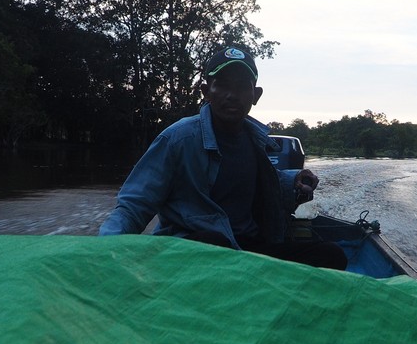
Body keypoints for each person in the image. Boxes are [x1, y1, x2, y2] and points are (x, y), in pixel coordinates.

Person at [99, 47, 347, 270]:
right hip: (193, 250)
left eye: (241, 86)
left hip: (245, 248)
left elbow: (248, 184)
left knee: (332, 255)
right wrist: (105, 253)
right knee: (214, 242)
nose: (232, 94)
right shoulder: (177, 139)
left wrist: (292, 181)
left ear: (255, 95)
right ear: (207, 91)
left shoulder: (257, 140)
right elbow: (133, 206)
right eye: (222, 84)